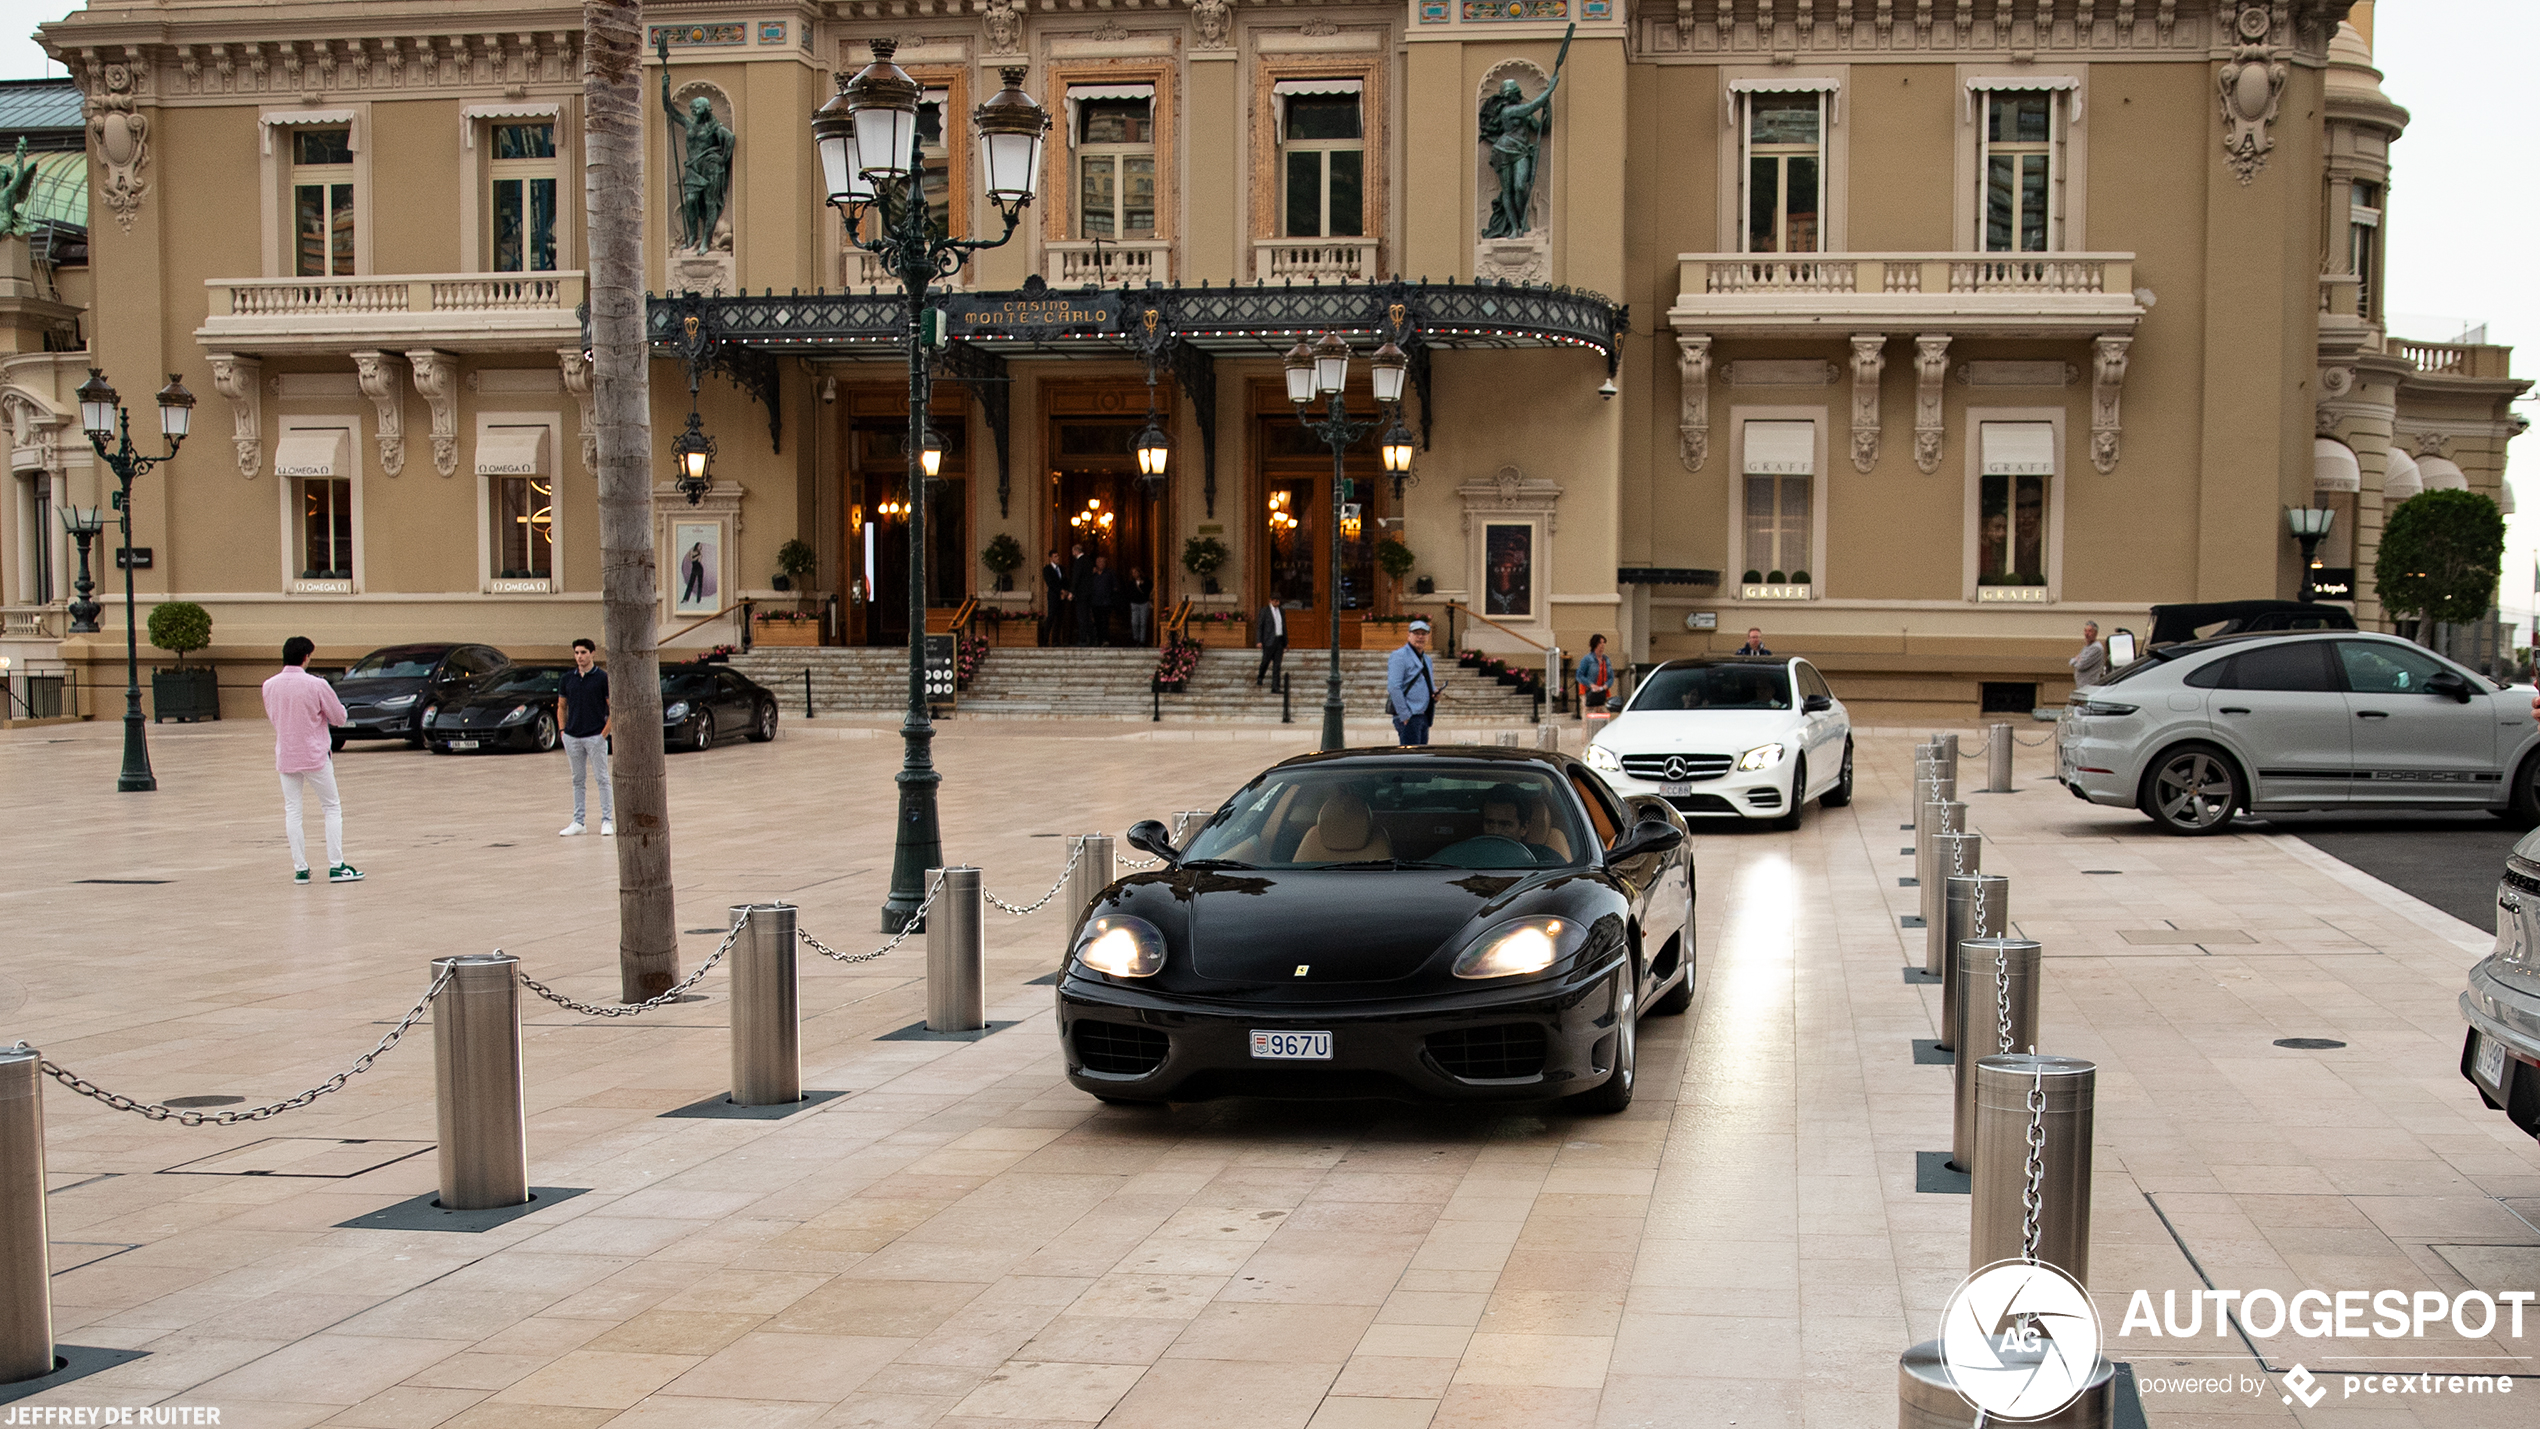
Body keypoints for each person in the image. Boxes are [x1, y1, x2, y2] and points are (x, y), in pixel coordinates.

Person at [261, 635, 361, 884]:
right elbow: (339, 717)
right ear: (306, 657)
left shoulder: (269, 685)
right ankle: (337, 865)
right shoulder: (317, 684)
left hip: (286, 754)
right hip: (315, 755)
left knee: (293, 810)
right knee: (331, 807)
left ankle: (300, 869)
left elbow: (274, 717)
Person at [556, 638, 614, 837]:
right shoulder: (567, 678)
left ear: (592, 653)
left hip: (595, 735)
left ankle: (607, 820)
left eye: (583, 652)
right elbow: (562, 706)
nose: (579, 656)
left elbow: (612, 708)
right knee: (577, 780)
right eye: (577, 653)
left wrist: (603, 734)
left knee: (602, 778)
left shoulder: (602, 678)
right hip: (573, 736)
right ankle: (578, 821)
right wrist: (563, 731)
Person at [1387, 617, 1440, 746]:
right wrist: (1404, 715)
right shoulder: (1399, 656)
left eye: (1423, 634)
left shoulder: (1427, 660)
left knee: (1421, 759)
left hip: (1423, 716)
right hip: (1409, 716)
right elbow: (1394, 687)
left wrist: (1435, 694)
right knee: (1410, 759)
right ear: (1409, 635)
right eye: (1416, 633)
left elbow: (1428, 685)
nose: (1420, 637)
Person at [1575, 633, 1613, 717]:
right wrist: (1591, 685)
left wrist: (1606, 685)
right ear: (1595, 644)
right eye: (1600, 643)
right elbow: (1579, 675)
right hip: (1589, 692)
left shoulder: (1606, 660)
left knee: (1603, 716)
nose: (1602, 645)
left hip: (1602, 692)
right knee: (1589, 717)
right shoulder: (1587, 659)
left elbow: (1611, 676)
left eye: (1604, 643)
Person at [1039, 549, 1068, 647]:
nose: (1057, 558)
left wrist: (1065, 591)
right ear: (1051, 558)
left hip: (1062, 597)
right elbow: (1050, 583)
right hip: (1053, 596)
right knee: (1051, 617)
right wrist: (1060, 590)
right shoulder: (1047, 569)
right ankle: (1045, 640)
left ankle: (1056, 640)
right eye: (1055, 557)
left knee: (1059, 619)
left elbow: (1065, 581)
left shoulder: (1062, 569)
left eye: (1058, 556)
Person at [1256, 599, 1288, 688]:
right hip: (1268, 641)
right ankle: (1260, 676)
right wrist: (1259, 641)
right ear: (1270, 601)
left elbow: (1283, 626)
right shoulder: (1265, 611)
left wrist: (1286, 642)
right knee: (1265, 661)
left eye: (1278, 601)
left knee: (1277, 664)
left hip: (1279, 640)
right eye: (1275, 601)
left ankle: (1275, 686)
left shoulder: (1281, 611)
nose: (1277, 603)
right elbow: (1260, 627)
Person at [1087, 554, 1118, 646]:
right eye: (1099, 562)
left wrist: (1113, 597)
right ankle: (1099, 639)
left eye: (1103, 562)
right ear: (1096, 563)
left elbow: (1115, 587)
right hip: (1095, 602)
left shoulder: (1110, 573)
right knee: (1097, 622)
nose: (1101, 564)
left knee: (1105, 621)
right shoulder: (1093, 574)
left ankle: (1105, 639)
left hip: (1106, 602)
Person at [1069, 542, 1096, 646]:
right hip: (1089, 593)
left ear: (1076, 551)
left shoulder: (1079, 561)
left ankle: (1083, 639)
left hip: (1081, 594)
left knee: (1081, 617)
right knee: (1087, 617)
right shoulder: (1088, 560)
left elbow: (1076, 577)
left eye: (1073, 551)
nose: (1072, 553)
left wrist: (1072, 591)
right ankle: (1092, 639)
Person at [2069, 621, 2108, 690]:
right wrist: (2076, 660)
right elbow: (2071, 661)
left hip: (2089, 687)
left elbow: (2081, 665)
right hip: (2082, 686)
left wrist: (2077, 659)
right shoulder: (2087, 647)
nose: (2087, 634)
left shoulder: (2096, 648)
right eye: (2085, 631)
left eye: (2090, 631)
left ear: (2095, 633)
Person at [1128, 567, 1154, 646]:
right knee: (1134, 622)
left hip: (1144, 603)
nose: (1134, 574)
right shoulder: (1131, 583)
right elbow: (1129, 593)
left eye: (1136, 572)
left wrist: (1142, 585)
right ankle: (1136, 638)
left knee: (1143, 622)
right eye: (1133, 573)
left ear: (1139, 572)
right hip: (1134, 604)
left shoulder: (1146, 582)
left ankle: (1142, 640)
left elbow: (1148, 590)